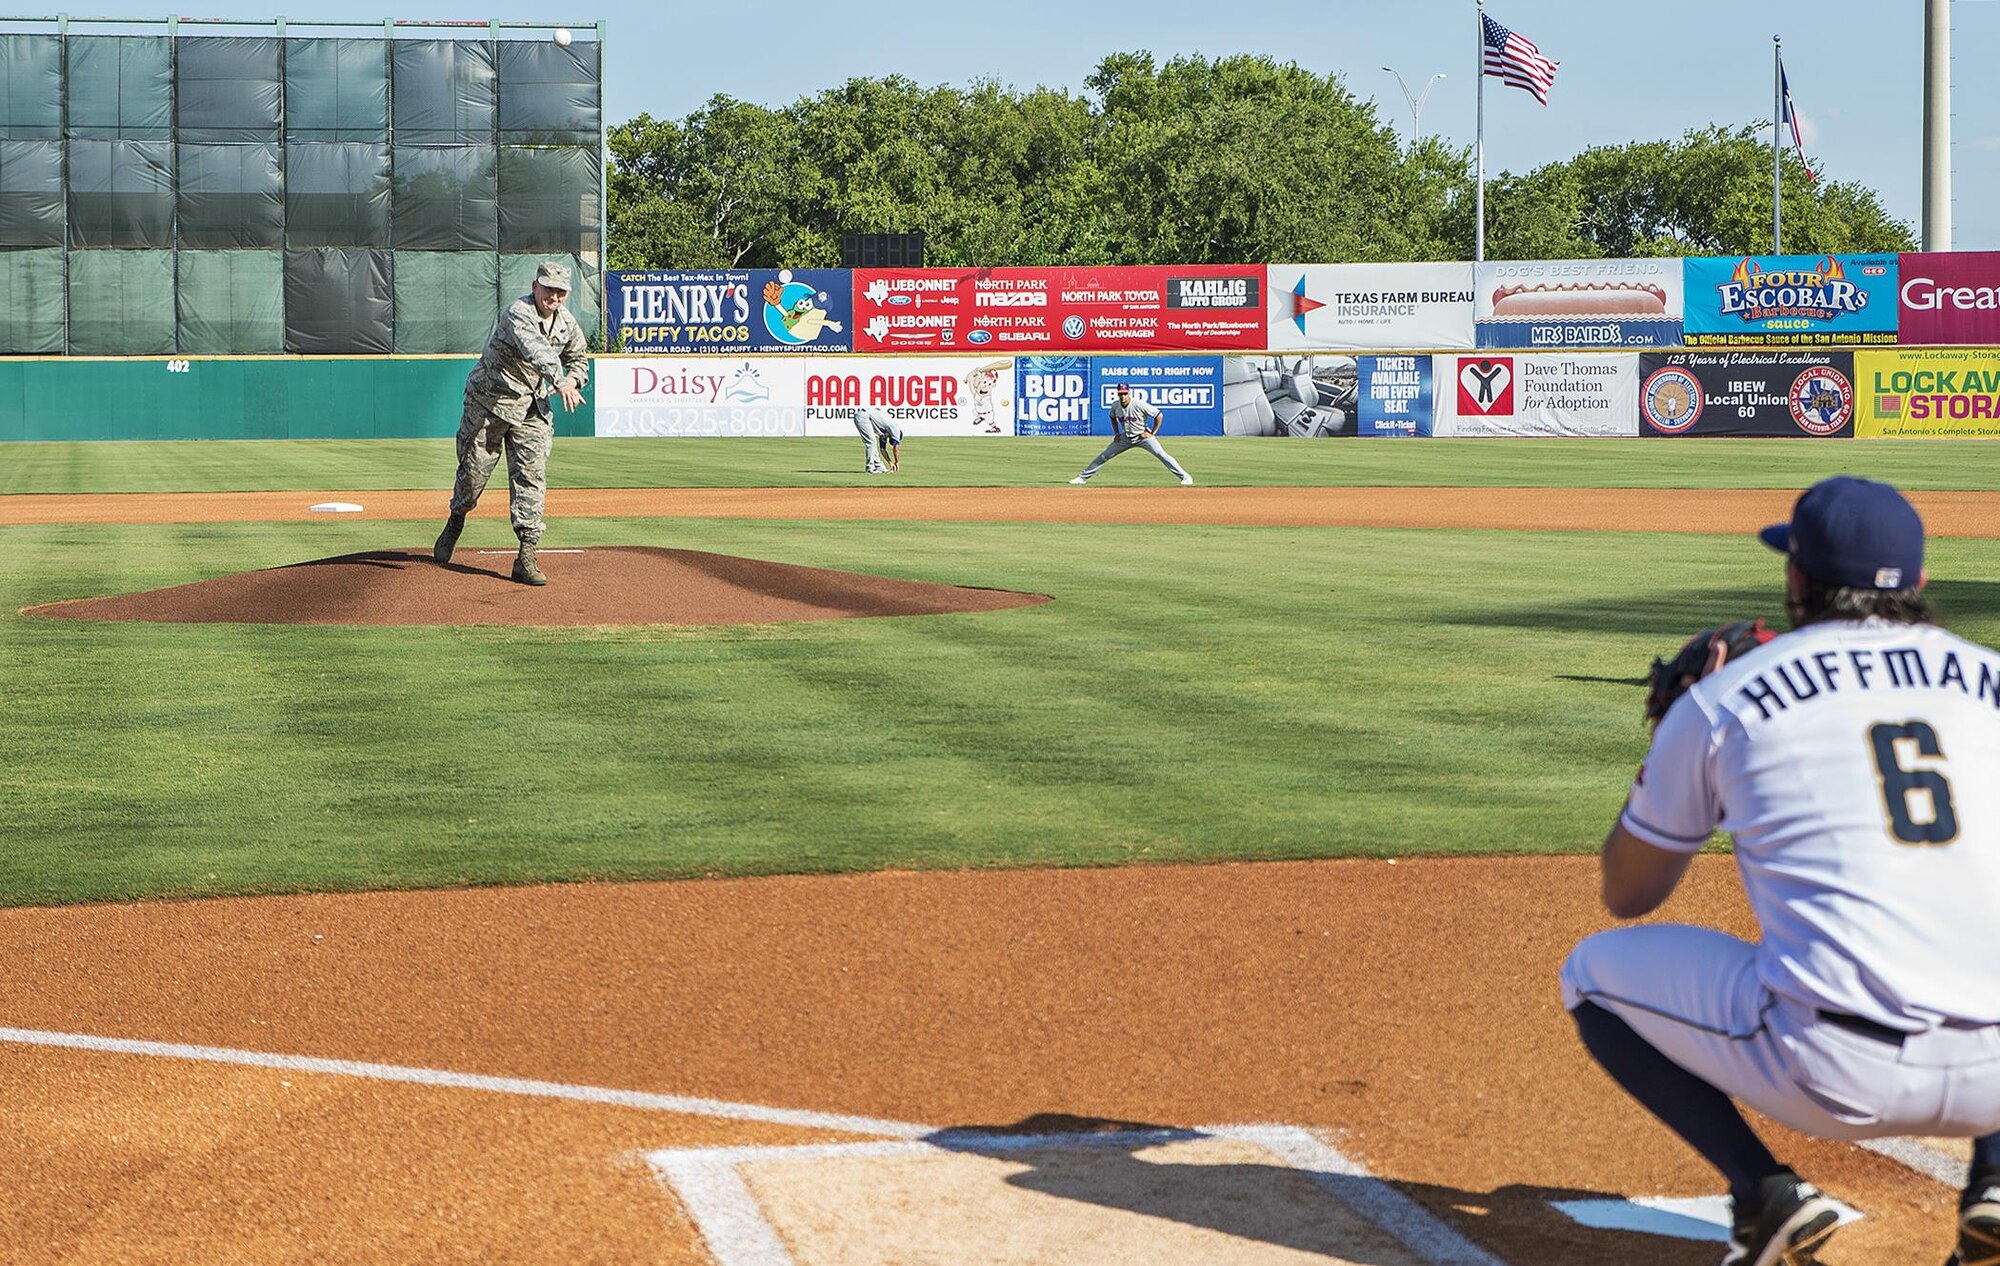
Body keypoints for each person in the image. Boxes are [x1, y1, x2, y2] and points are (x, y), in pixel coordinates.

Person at [1560, 476, 2000, 1266]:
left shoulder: (1726, 701)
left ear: (1796, 580)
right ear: (1922, 583)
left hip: (1837, 1072)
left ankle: (1764, 1195)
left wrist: (1667, 741)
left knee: (1591, 975)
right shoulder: (1991, 683)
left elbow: (1629, 895)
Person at [433, 260, 590, 586]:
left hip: (533, 409)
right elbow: (537, 352)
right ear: (536, 286)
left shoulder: (567, 324)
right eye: (549, 289)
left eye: (561, 292)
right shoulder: (518, 313)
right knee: (472, 478)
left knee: (531, 478)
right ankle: (456, 517)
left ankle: (527, 553)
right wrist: (560, 380)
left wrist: (574, 379)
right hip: (491, 405)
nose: (555, 297)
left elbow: (578, 358)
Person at [1067, 384, 1193, 486]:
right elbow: (1112, 417)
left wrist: (1152, 433)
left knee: (1161, 454)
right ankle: (1082, 478)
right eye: (1120, 393)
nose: (1123, 396)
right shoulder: (1115, 405)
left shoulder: (1138, 404)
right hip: (1126, 438)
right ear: (1117, 394)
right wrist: (1116, 433)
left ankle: (1186, 477)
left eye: (1125, 393)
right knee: (1104, 456)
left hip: (1142, 437)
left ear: (1129, 393)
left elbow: (1159, 415)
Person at [853, 406, 902, 474]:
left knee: (873, 443)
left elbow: (882, 449)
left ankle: (879, 467)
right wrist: (897, 462)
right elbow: (896, 449)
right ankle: (869, 468)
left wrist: (890, 462)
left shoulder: (886, 432)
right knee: (871, 442)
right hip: (864, 416)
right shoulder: (895, 430)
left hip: (864, 417)